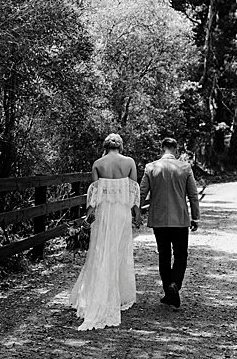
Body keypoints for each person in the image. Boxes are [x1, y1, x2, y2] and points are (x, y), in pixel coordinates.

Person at [69, 133, 142, 330]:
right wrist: (137, 213)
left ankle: (99, 292)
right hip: (121, 213)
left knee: (101, 250)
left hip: (103, 212)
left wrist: (89, 214)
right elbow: (134, 190)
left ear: (105, 146)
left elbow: (94, 193)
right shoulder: (129, 162)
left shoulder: (98, 164)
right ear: (121, 146)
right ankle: (114, 293)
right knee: (119, 250)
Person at [140, 137, 200, 309]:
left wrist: (135, 211)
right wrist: (195, 217)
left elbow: (142, 191)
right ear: (176, 149)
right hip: (180, 220)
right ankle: (175, 284)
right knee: (181, 254)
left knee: (164, 255)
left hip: (159, 220)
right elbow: (193, 195)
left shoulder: (151, 167)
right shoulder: (185, 167)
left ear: (162, 148)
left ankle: (168, 291)